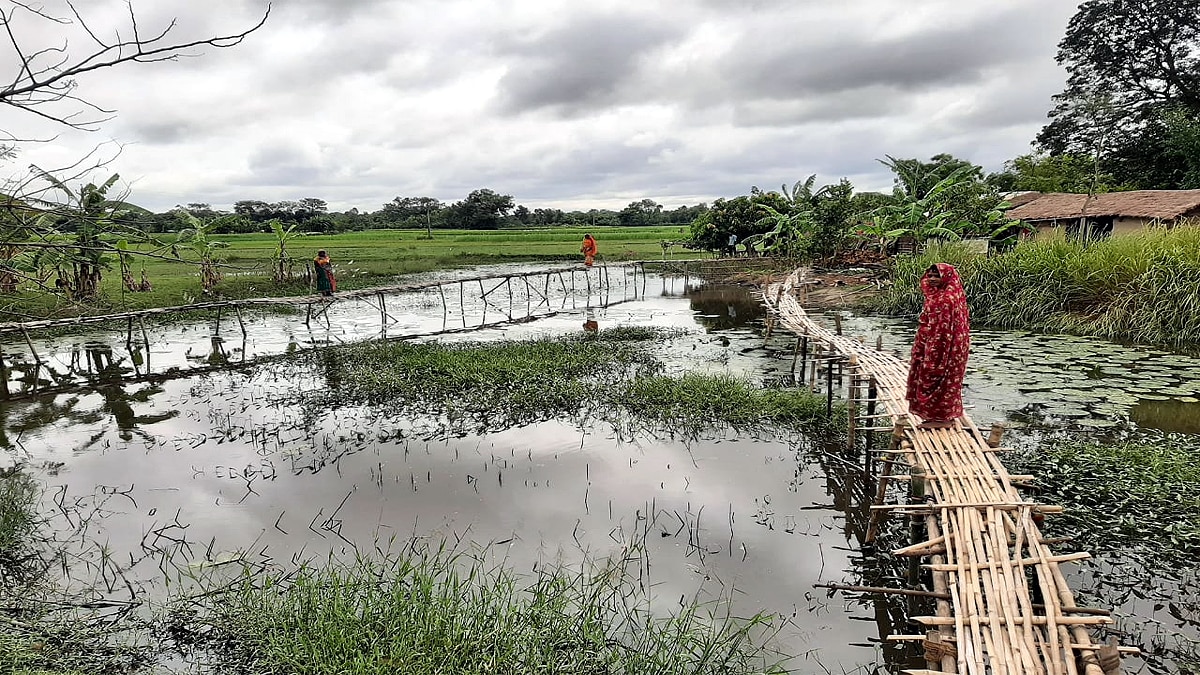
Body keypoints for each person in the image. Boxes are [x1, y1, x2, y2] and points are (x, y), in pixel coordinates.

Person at [905, 263, 970, 429]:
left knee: (939, 378)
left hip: (944, 345)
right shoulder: (938, 294)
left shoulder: (948, 298)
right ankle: (938, 416)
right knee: (930, 377)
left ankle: (942, 419)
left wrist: (934, 351)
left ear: (946, 277)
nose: (932, 279)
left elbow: (945, 328)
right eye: (930, 275)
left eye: (937, 276)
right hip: (933, 341)